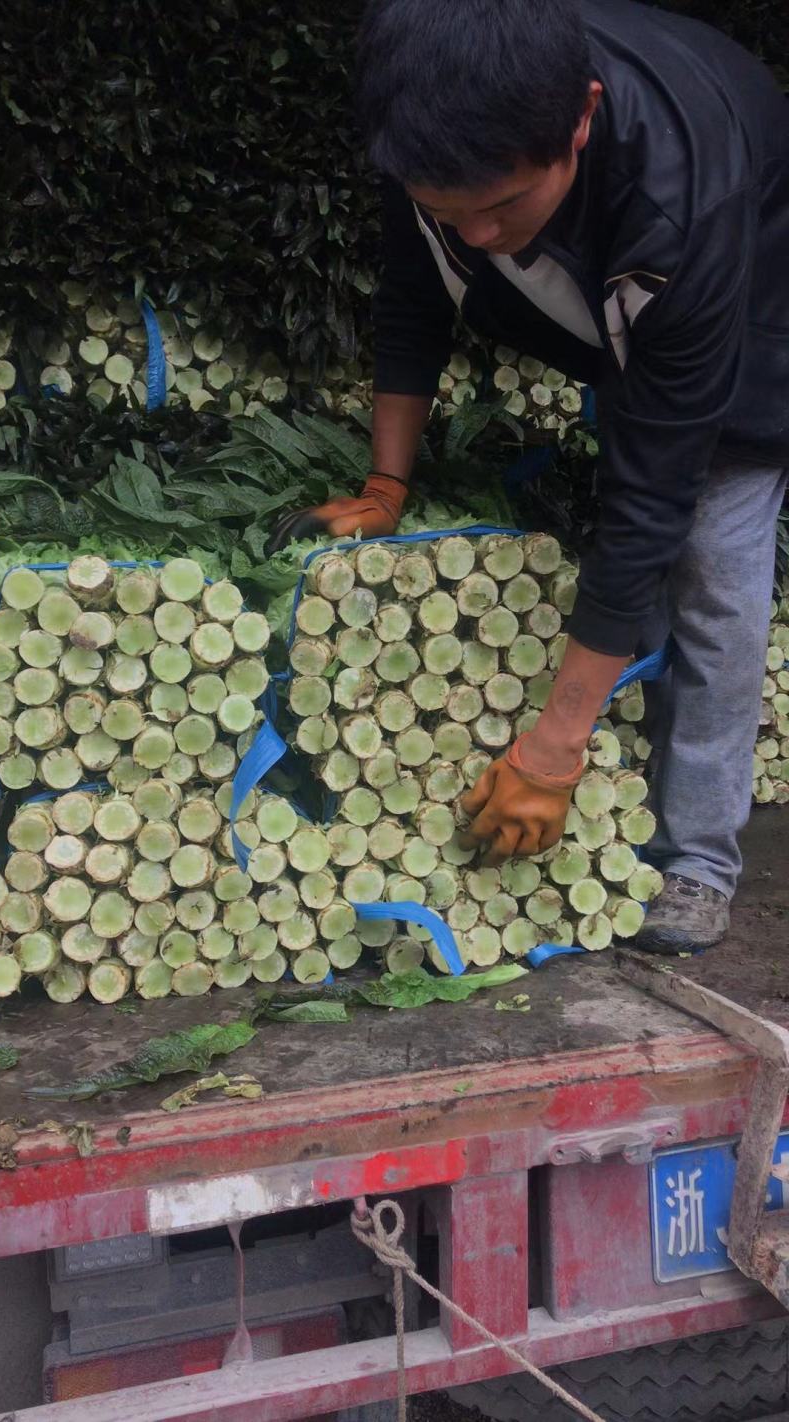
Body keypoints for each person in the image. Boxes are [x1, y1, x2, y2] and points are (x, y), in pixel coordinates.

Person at [269, 0, 789, 955]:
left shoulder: (686, 203)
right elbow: (414, 301)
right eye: (445, 211)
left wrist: (553, 750)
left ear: (582, 120)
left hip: (754, 304)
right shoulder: (436, 127)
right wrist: (387, 483)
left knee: (711, 552)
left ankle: (698, 863)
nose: (473, 234)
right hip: (638, 285)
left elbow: (657, 491)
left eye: (502, 207)